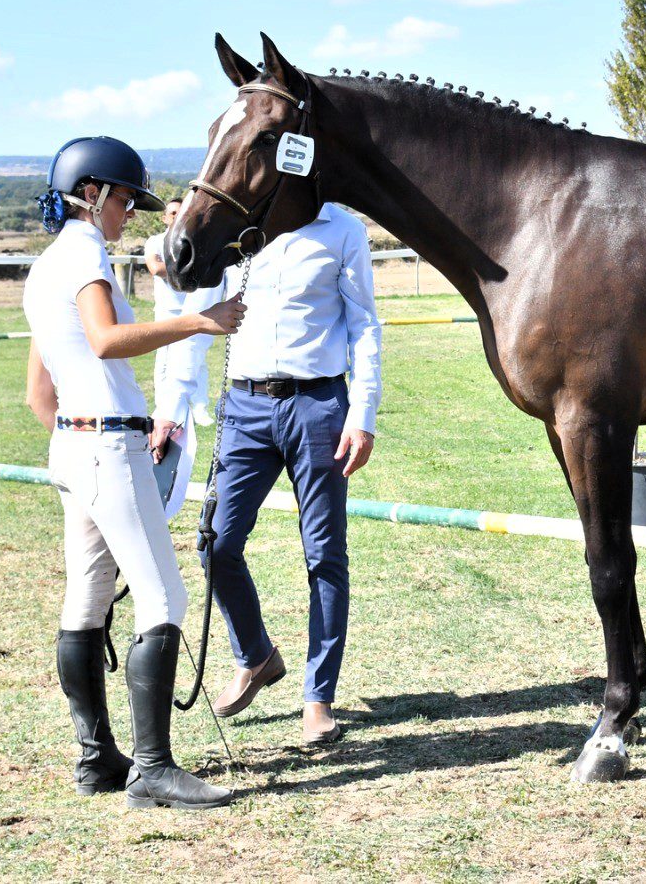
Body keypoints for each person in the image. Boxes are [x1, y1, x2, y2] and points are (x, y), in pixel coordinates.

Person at [23, 136, 244, 809]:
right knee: (163, 600)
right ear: (89, 193)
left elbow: (37, 393)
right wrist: (200, 322)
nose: (129, 213)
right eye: (122, 199)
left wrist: (82, 437)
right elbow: (106, 340)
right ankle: (152, 768)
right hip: (107, 448)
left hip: (71, 445)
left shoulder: (43, 268)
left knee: (87, 601)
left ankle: (96, 760)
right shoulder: (87, 251)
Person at [203, 202, 382, 748]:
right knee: (216, 541)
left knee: (324, 553)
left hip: (319, 405)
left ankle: (317, 697)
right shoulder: (239, 224)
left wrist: (363, 415)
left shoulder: (343, 229)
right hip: (245, 406)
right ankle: (256, 657)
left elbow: (364, 325)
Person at [144, 197, 222, 431]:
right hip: (167, 311)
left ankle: (199, 407)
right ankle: (165, 408)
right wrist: (186, 269)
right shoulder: (155, 242)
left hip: (191, 308)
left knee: (197, 361)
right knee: (165, 361)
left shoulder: (192, 243)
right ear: (164, 218)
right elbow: (155, 268)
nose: (176, 217)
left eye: (181, 212)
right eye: (172, 213)